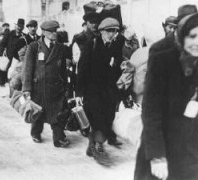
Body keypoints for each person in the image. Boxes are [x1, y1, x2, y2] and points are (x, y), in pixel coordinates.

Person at [134, 13, 198, 180]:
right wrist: (157, 155)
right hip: (164, 145)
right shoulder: (163, 58)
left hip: (191, 149)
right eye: (192, 36)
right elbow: (151, 110)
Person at [76, 17, 123, 165]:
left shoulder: (115, 46)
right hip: (92, 89)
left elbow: (116, 68)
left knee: (108, 117)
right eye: (109, 31)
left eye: (115, 31)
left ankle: (92, 145)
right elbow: (81, 69)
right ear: (102, 31)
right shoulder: (91, 45)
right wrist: (78, 93)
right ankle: (99, 147)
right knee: (98, 118)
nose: (112, 34)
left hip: (108, 90)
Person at [22, 20, 71, 148]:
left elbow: (63, 70)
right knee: (38, 112)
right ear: (43, 32)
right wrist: (26, 88)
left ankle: (58, 138)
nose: (54, 34)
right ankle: (36, 133)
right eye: (51, 32)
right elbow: (27, 68)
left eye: (55, 31)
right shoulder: (34, 47)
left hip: (55, 87)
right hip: (39, 87)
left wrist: (66, 86)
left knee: (58, 112)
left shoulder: (60, 48)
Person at [0, 18, 25, 86]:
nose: (19, 28)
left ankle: (12, 85)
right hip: (9, 55)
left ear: (23, 27)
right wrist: (2, 52)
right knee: (4, 68)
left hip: (17, 57)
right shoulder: (10, 34)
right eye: (18, 26)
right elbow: (2, 44)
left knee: (14, 72)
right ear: (16, 26)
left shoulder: (24, 36)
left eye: (21, 27)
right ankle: (2, 83)